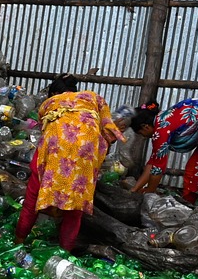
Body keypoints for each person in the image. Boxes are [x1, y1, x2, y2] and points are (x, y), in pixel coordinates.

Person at [14, 74, 122, 252]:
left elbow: (44, 127)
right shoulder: (91, 98)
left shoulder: (49, 103)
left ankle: (18, 243)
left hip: (56, 151)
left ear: (55, 92)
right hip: (84, 152)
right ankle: (65, 254)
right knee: (74, 210)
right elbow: (108, 127)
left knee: (32, 202)